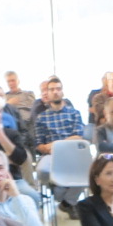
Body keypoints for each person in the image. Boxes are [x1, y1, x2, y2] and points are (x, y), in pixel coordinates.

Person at [32, 77, 87, 213]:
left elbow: (78, 137)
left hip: (73, 154)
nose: (55, 92)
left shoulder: (74, 113)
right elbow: (40, 145)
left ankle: (66, 202)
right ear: (48, 93)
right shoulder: (42, 118)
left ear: (62, 92)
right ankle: (68, 200)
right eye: (52, 89)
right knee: (41, 171)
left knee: (88, 172)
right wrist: (52, 147)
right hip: (51, 155)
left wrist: (55, 144)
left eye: (58, 89)